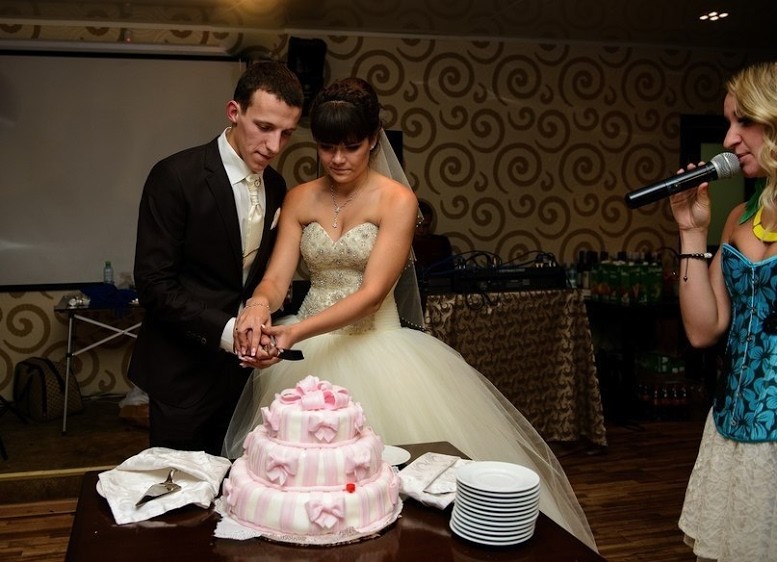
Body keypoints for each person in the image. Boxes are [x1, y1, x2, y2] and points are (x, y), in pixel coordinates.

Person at [223, 77, 597, 550]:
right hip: (308, 359)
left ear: (373, 139)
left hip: (379, 351)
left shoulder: (397, 200)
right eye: (327, 147)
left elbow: (372, 294)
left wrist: (296, 333)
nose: (338, 159)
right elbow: (277, 280)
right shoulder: (300, 197)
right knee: (305, 492)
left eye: (351, 146)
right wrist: (259, 306)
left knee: (392, 498)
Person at [128, 61, 304, 455]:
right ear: (234, 112)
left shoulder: (277, 185)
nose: (274, 146)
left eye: (286, 133)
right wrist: (230, 332)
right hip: (181, 374)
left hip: (243, 379)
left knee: (239, 483)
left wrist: (258, 331)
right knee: (182, 487)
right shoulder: (176, 176)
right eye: (264, 127)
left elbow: (258, 276)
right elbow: (154, 285)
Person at [669, 60, 777, 561]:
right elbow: (704, 329)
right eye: (728, 123)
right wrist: (692, 232)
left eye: (744, 121)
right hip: (731, 424)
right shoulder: (739, 217)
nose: (730, 139)